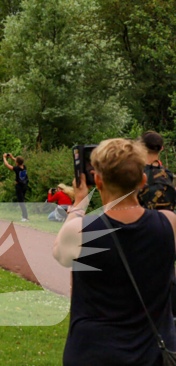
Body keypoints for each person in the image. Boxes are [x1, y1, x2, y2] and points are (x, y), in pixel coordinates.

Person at [54, 138, 176, 366]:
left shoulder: (80, 231)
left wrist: (79, 202)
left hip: (93, 354)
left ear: (98, 181)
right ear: (143, 180)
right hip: (153, 354)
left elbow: (60, 254)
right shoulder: (169, 223)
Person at [138, 131, 176, 211]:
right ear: (161, 148)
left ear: (141, 148)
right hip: (167, 217)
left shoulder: (136, 173)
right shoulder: (167, 174)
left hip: (143, 217)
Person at [3, 152, 29, 221]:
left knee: (21, 202)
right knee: (22, 201)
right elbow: (20, 162)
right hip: (25, 185)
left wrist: (4, 157)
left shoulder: (17, 168)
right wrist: (12, 158)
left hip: (19, 186)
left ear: (17, 163)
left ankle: (25, 217)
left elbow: (7, 164)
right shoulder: (24, 167)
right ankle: (24, 216)